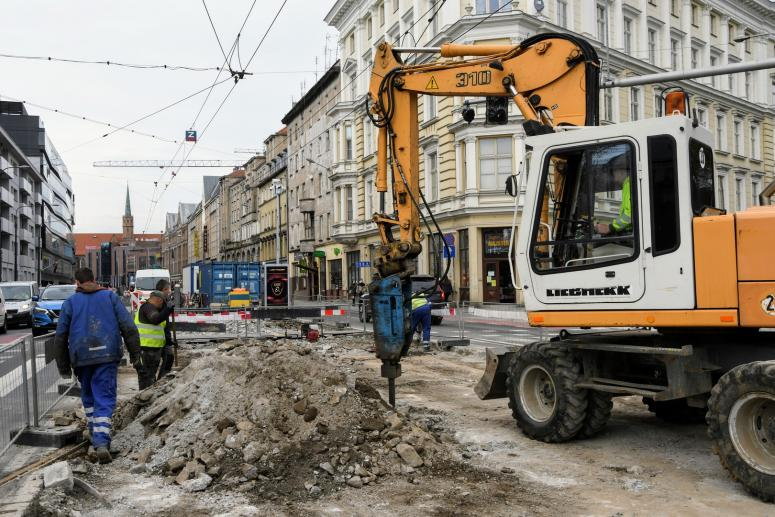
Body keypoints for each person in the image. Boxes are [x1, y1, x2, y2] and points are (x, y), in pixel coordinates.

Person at [54, 267, 140, 463]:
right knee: (104, 396)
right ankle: (101, 441)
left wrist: (64, 367)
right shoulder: (109, 298)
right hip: (107, 354)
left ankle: (95, 433)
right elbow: (128, 326)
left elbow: (60, 336)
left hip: (81, 356)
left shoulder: (70, 302)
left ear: (77, 283)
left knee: (89, 396)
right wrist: (135, 353)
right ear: (94, 280)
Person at [134, 290, 174, 390]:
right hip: (147, 348)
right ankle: (144, 397)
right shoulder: (148, 308)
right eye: (163, 303)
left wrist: (169, 341)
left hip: (155, 348)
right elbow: (155, 319)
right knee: (147, 378)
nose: (163, 305)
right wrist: (167, 309)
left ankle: (155, 389)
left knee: (153, 375)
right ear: (158, 300)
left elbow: (162, 328)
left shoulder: (157, 310)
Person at [154, 279, 176, 380]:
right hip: (155, 340)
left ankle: (161, 380)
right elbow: (158, 319)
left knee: (169, 357)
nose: (170, 291)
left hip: (163, 337)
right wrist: (167, 309)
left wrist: (169, 339)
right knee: (154, 363)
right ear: (163, 290)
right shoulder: (157, 302)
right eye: (168, 289)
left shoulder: (165, 301)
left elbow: (166, 324)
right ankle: (153, 384)